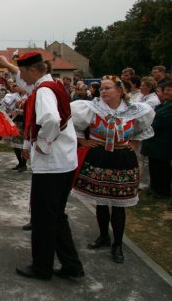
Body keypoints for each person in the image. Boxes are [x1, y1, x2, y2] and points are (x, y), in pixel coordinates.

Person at [12, 52, 84, 280]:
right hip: (65, 161)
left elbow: (51, 119)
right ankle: (72, 264)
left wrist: (41, 144)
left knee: (43, 217)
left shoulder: (44, 91)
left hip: (52, 163)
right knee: (56, 215)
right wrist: (29, 141)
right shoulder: (54, 85)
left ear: (33, 70)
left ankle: (42, 267)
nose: (21, 77)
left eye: (22, 72)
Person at [71, 75, 155, 263]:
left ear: (119, 91)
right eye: (101, 88)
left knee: (119, 203)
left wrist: (131, 145)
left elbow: (141, 131)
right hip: (99, 156)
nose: (103, 91)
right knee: (101, 201)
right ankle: (103, 236)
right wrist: (84, 141)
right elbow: (75, 125)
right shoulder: (92, 108)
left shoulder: (134, 110)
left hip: (123, 159)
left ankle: (117, 244)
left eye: (107, 88)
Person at [142, 81, 172, 198]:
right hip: (155, 141)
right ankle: (154, 188)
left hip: (163, 142)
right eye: (166, 90)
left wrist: (148, 125)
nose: (166, 92)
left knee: (162, 168)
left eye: (169, 90)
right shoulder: (165, 103)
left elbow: (160, 120)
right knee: (154, 166)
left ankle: (162, 191)